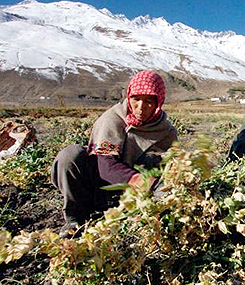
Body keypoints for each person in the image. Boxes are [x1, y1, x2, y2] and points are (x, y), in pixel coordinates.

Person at [51, 71, 177, 236]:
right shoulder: (113, 118)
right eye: (136, 99)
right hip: (99, 188)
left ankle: (135, 220)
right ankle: (75, 220)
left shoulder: (166, 132)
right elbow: (106, 166)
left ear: (158, 102)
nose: (140, 107)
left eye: (148, 102)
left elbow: (170, 169)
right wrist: (144, 181)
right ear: (129, 96)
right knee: (70, 155)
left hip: (136, 198)